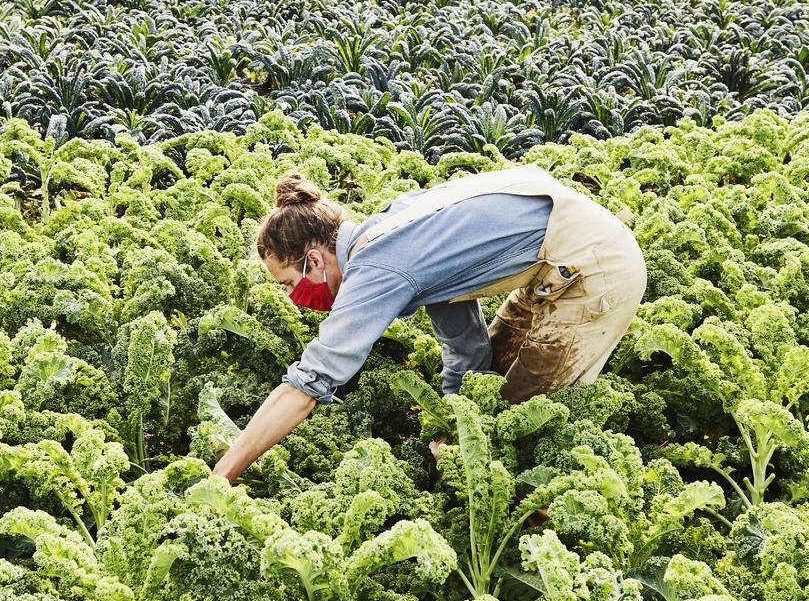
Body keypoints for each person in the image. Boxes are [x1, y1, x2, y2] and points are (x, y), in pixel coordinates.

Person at [213, 166, 646, 482]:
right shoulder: (391, 227)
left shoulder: (378, 265)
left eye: (291, 283)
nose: (296, 298)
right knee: (487, 391)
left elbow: (307, 385)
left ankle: (537, 550)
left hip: (593, 270)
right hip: (556, 264)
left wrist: (225, 472)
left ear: (313, 259)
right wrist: (449, 425)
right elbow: (467, 348)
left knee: (514, 429)